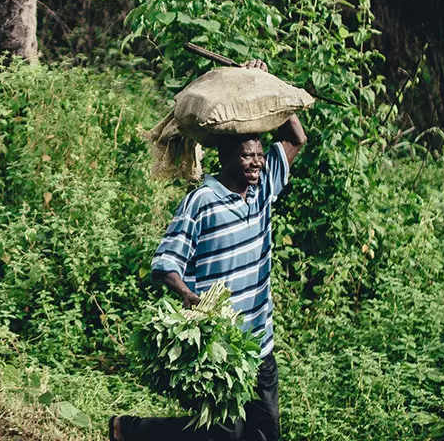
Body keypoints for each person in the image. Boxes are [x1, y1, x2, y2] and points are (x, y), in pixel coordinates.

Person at [111, 60, 309, 441]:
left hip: (259, 341)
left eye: (259, 155)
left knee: (265, 434)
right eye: (248, 155)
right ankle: (130, 430)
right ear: (227, 158)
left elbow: (296, 138)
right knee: (224, 434)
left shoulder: (262, 191)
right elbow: (166, 263)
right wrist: (189, 296)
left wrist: (261, 80)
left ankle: (129, 431)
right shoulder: (202, 201)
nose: (257, 162)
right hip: (221, 345)